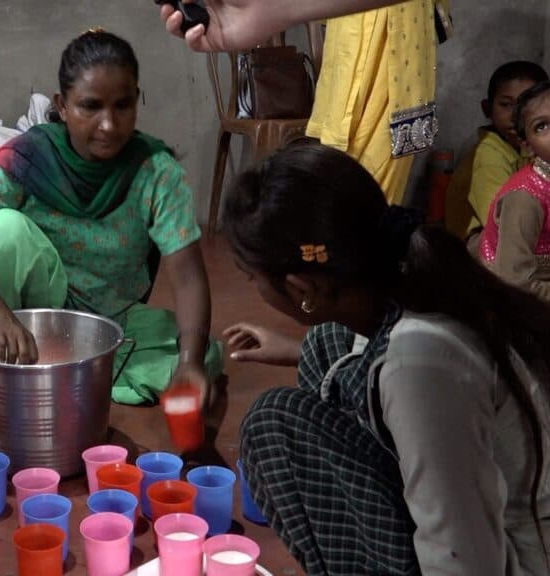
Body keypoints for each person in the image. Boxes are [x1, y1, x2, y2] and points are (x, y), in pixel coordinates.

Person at [222, 142, 550, 575]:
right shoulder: (410, 278)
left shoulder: (422, 367)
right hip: (491, 512)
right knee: (327, 345)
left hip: (516, 559)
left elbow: (467, 562)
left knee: (275, 426)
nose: (254, 289)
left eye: (253, 277)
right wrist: (292, 349)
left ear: (302, 290)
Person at [0, 29, 223, 406]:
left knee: (204, 354)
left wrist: (189, 362)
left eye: (122, 106)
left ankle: (61, 375)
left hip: (107, 324)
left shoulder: (155, 172)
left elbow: (187, 277)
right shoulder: (32, 157)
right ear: (63, 105)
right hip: (27, 318)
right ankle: (1, 359)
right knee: (5, 230)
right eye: (90, 106)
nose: (108, 124)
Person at [161, 0, 449, 205]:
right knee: (341, 179)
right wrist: (272, 9)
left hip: (402, 43)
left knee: (373, 195)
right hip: (349, 37)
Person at [445, 61, 548, 240]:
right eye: (506, 105)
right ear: (487, 108)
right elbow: (507, 228)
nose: (517, 115)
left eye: (527, 104)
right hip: (478, 253)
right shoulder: (488, 158)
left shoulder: (528, 147)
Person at [478, 81, 550, 302]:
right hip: (520, 300)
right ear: (527, 145)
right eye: (542, 126)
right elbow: (513, 280)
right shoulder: (525, 198)